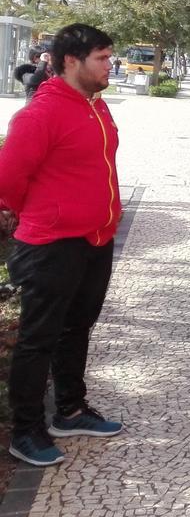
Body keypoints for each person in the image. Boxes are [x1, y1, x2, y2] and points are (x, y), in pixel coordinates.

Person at [0, 24, 124, 467]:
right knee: (39, 338)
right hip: (52, 244)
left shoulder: (96, 106)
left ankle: (70, 411)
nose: (111, 65)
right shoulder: (41, 114)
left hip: (96, 238)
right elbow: (9, 179)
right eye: (103, 58)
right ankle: (26, 431)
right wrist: (31, 212)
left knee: (77, 328)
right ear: (71, 61)